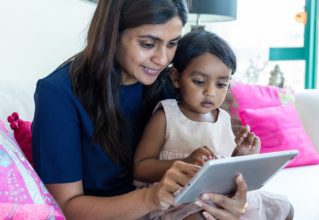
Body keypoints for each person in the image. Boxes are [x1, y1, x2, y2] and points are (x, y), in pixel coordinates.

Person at [31, 0, 250, 219]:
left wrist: (232, 200)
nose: (162, 59)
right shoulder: (58, 93)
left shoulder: (171, 84)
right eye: (148, 44)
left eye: (172, 43)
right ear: (113, 34)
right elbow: (66, 207)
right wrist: (153, 197)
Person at [133, 30, 294, 220]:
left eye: (220, 85)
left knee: (283, 207)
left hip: (219, 198)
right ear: (176, 78)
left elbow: (224, 168)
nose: (210, 92)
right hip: (177, 201)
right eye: (199, 82)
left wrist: (240, 157)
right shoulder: (166, 116)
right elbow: (140, 169)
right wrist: (185, 162)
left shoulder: (224, 119)